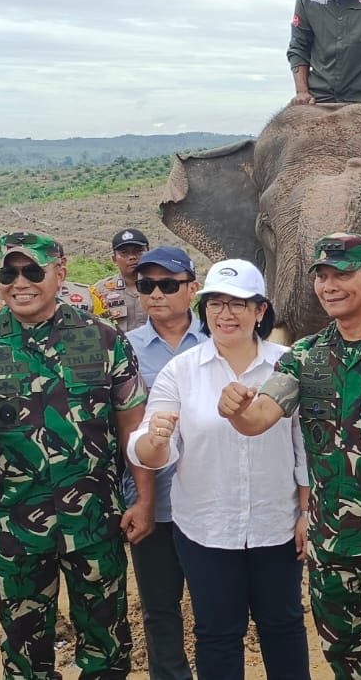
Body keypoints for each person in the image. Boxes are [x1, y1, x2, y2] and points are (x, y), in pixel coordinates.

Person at [0, 231, 152, 680]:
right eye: (9, 272)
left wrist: (143, 499)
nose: (20, 281)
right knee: (25, 654)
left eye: (32, 271)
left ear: (60, 273)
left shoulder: (103, 339)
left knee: (106, 648)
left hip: (94, 522)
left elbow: (132, 428)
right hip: (14, 529)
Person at [220, 233, 361, 680]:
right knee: (346, 662)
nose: (329, 286)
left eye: (342, 275)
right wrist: (234, 411)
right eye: (322, 276)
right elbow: (259, 418)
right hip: (329, 546)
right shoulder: (303, 357)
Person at [129, 259, 311, 680]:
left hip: (276, 526)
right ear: (204, 309)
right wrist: (154, 440)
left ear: (260, 311)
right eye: (216, 305)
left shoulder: (288, 365)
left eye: (239, 304)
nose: (225, 315)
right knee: (217, 634)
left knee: (283, 626)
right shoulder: (182, 371)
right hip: (206, 529)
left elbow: (304, 447)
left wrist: (305, 512)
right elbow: (152, 450)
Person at [121, 246, 202, 680]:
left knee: (214, 610)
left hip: (212, 504)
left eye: (168, 284)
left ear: (192, 287)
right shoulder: (122, 350)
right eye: (146, 285)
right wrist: (139, 499)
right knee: (159, 609)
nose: (155, 294)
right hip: (155, 503)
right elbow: (124, 430)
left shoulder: (221, 342)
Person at [95, 228, 149, 331]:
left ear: (149, 253)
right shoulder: (100, 291)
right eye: (124, 253)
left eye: (138, 251)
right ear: (114, 260)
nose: (132, 257)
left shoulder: (164, 286)